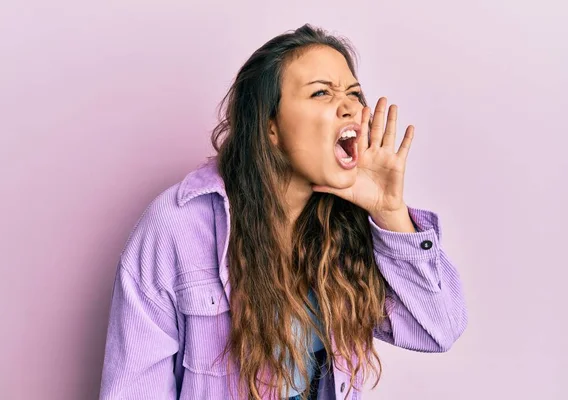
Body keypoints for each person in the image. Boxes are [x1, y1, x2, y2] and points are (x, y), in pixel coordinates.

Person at [99, 24, 468, 400]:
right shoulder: (177, 226)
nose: (351, 107)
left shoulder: (346, 225)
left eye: (355, 93)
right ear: (270, 125)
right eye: (321, 92)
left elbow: (438, 328)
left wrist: (390, 213)